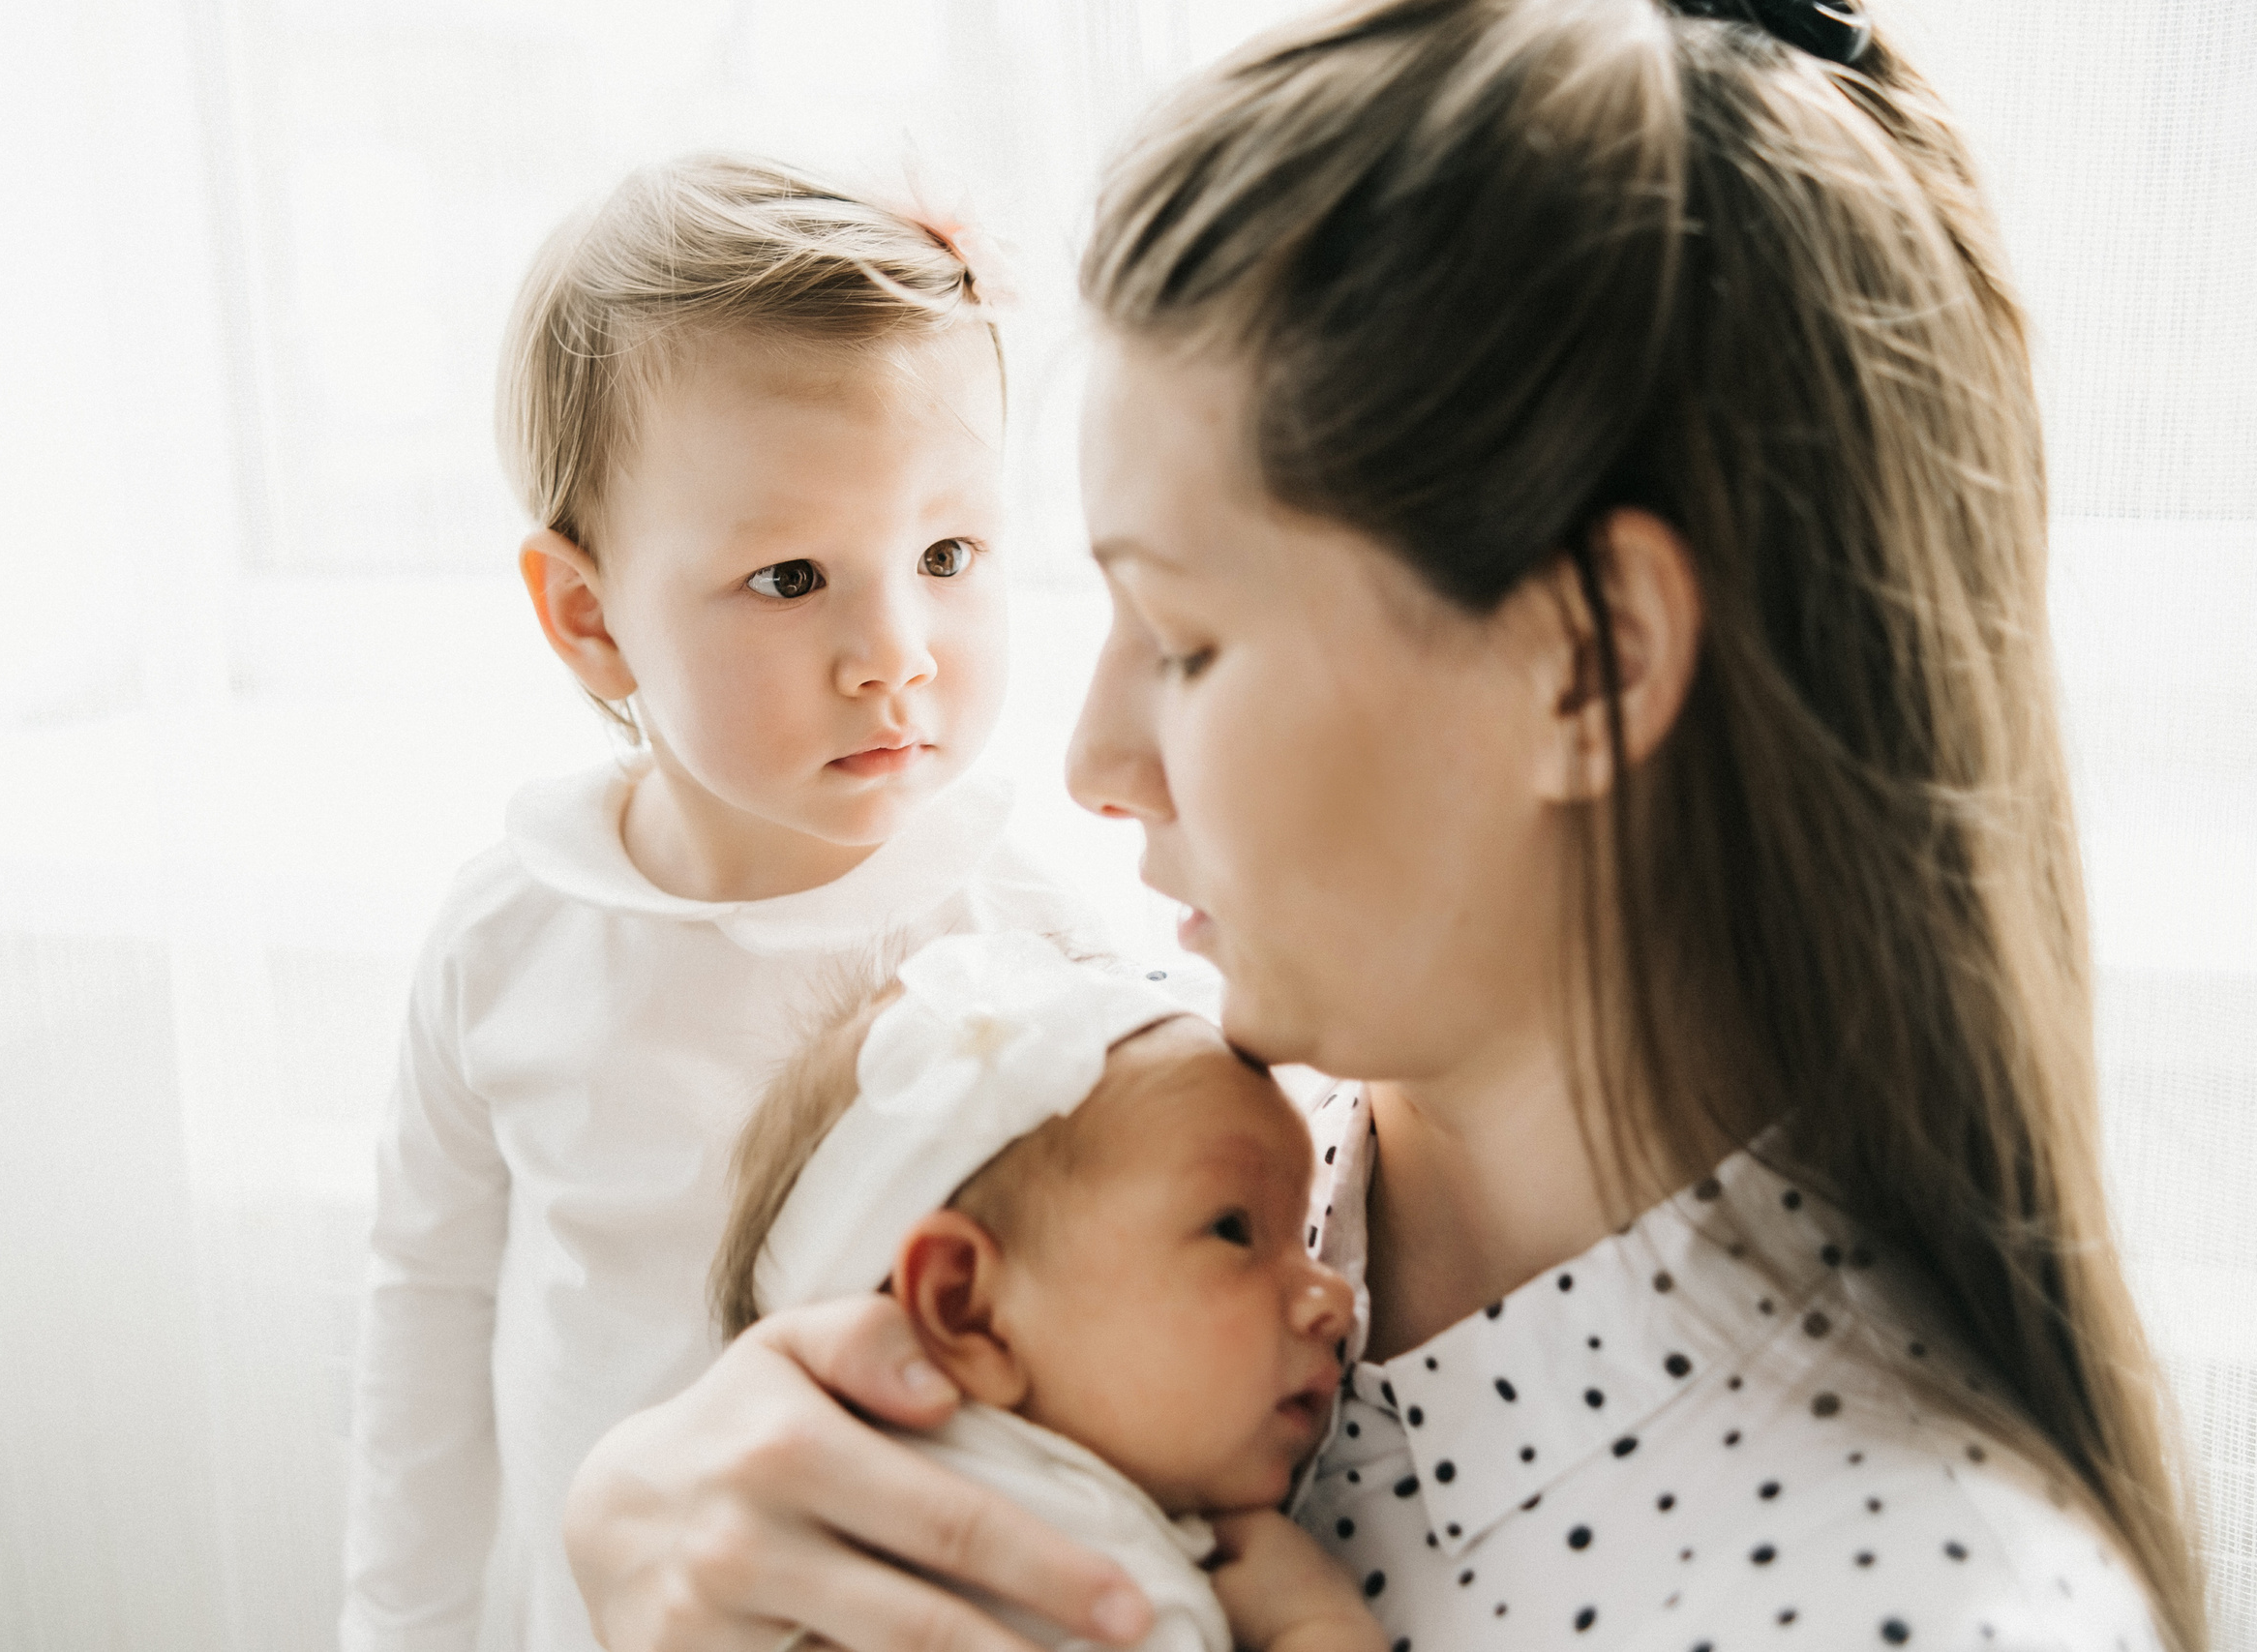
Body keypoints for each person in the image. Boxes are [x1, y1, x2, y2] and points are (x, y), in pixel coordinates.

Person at [556, 3, 2212, 1651]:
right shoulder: (1125, 1168)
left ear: (1584, 660)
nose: (1092, 760)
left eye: (1185, 639)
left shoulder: (1909, 1602)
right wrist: (635, 1530)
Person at [341, 154, 1093, 1652]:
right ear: (591, 617)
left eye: (947, 554)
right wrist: (396, 1624)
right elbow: (425, 1316)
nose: (897, 649)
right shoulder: (506, 944)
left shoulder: (1034, 951)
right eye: (793, 576)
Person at [711, 929, 1377, 1652]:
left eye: (1301, 1230)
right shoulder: (1067, 1579)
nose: (1334, 1297)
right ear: (967, 1308)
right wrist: (1319, 1628)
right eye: (1233, 1229)